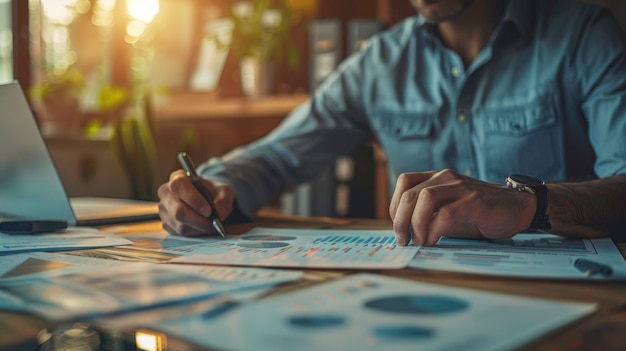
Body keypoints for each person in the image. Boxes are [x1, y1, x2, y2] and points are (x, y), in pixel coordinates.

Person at [158, 0, 626, 246]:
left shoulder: (584, 35)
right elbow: (280, 154)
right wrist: (210, 187)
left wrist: (530, 204)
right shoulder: (379, 62)